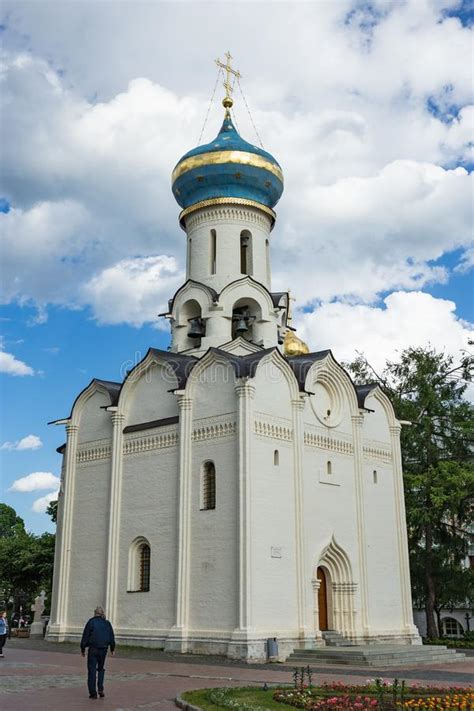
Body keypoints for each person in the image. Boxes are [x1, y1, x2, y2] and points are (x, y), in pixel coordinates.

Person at [80, 606, 115, 699]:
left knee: (91, 670)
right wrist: (112, 648)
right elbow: (111, 636)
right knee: (100, 668)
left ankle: (93, 693)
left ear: (95, 613)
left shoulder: (91, 622)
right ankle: (100, 689)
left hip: (93, 649)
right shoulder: (107, 623)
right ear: (102, 613)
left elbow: (85, 636)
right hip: (103, 649)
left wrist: (83, 648)